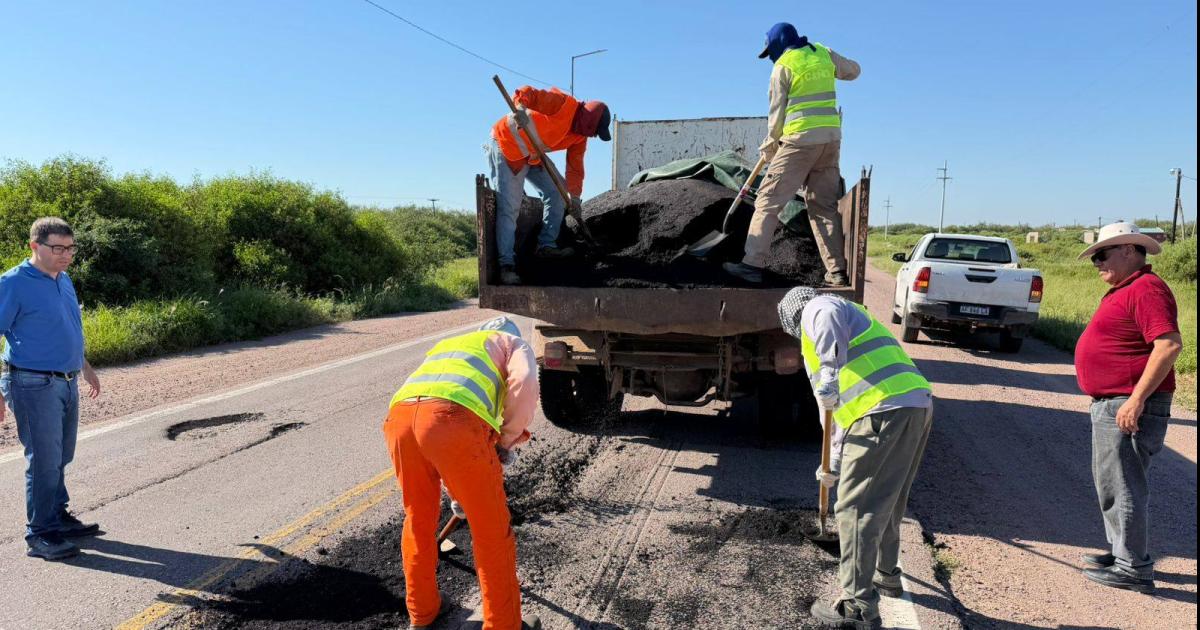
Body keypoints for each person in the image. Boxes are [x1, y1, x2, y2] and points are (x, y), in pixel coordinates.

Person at [777, 287, 933, 628]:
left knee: (855, 508)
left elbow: (825, 323)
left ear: (793, 318)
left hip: (882, 412)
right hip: (913, 405)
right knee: (889, 498)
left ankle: (858, 606)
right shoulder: (850, 318)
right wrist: (831, 462)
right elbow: (832, 413)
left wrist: (829, 373)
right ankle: (887, 573)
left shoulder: (820, 308)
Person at [382, 316, 541, 630]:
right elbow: (524, 384)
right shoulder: (511, 343)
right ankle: (504, 625)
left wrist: (459, 493)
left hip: (400, 420)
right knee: (492, 531)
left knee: (418, 519)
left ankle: (422, 615)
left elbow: (430, 416)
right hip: (451, 419)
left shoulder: (453, 345)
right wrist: (507, 441)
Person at [1074, 222, 1182, 594]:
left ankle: (1133, 567)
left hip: (1129, 402)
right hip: (1114, 402)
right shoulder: (1126, 289)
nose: (1096, 263)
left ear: (1129, 250)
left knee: (1125, 486)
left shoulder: (1147, 288)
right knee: (1110, 484)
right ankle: (1122, 552)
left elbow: (1168, 345)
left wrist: (1136, 400)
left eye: (1101, 254)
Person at [724, 22, 860, 287]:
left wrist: (771, 143)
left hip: (799, 142)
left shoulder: (782, 67)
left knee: (767, 201)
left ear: (777, 43)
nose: (770, 57)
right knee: (823, 208)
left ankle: (751, 265)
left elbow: (777, 114)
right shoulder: (823, 53)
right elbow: (854, 71)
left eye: (770, 51)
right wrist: (832, 67)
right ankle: (836, 272)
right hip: (831, 142)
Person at [0, 217, 102, 561]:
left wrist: (85, 367)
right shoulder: (13, 283)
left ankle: (57, 516)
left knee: (61, 456)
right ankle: (40, 534)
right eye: (58, 248)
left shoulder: (64, 279)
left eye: (70, 248)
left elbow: (69, 327)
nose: (67, 255)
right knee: (43, 460)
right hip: (31, 382)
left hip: (67, 379)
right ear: (35, 246)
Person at [488, 85, 611, 285]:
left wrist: (576, 199)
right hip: (507, 146)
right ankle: (506, 266)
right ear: (589, 121)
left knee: (556, 193)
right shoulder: (562, 104)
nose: (593, 136)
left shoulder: (580, 137)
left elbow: (575, 168)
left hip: (533, 156)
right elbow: (528, 92)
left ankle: (546, 245)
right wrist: (519, 108)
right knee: (510, 207)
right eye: (595, 131)